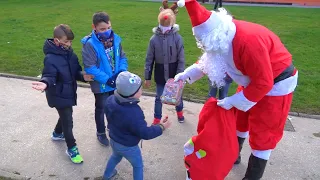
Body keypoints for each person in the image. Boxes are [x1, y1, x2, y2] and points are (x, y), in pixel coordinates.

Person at [174, 0, 298, 179]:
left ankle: (252, 176)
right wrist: (185, 74)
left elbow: (264, 82)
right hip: (251, 79)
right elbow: (208, 61)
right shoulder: (222, 37)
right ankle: (234, 155)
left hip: (277, 82)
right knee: (240, 121)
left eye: (203, 42)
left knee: (263, 134)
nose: (203, 46)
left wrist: (233, 100)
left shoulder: (247, 42)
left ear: (213, 36)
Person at [32, 24, 94, 164]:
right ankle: (72, 148)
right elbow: (49, 75)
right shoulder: (50, 58)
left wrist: (83, 76)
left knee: (66, 116)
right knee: (68, 121)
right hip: (57, 93)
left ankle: (57, 133)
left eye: (70, 41)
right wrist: (45, 83)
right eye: (66, 42)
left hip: (69, 91)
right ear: (56, 41)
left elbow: (76, 71)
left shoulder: (71, 55)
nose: (69, 44)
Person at [102, 71, 172, 180]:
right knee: (138, 166)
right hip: (128, 146)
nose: (141, 90)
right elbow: (145, 133)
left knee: (115, 157)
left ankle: (107, 175)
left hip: (114, 140)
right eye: (139, 89)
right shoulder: (134, 112)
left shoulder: (110, 100)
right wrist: (161, 127)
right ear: (131, 94)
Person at [81, 11, 128, 146]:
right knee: (101, 107)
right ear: (94, 27)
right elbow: (90, 67)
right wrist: (107, 79)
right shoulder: (90, 44)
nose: (106, 31)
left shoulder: (116, 40)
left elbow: (122, 57)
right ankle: (100, 132)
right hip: (101, 83)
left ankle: (112, 128)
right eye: (102, 29)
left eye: (108, 28)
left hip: (115, 80)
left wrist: (121, 72)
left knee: (113, 106)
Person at [144, 2, 185, 124]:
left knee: (177, 95)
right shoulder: (154, 39)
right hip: (160, 73)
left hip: (174, 72)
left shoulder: (177, 38)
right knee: (159, 97)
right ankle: (157, 117)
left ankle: (180, 112)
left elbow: (181, 58)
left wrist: (180, 75)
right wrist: (147, 77)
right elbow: (149, 59)